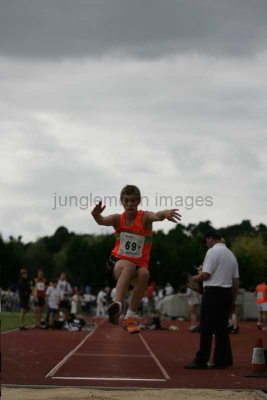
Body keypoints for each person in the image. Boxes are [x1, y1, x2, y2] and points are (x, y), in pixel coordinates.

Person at [91, 184, 181, 334]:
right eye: (126, 201)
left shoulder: (144, 217)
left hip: (138, 267)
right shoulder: (117, 219)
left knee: (145, 274)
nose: (129, 204)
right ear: (122, 201)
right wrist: (95, 214)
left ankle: (130, 318)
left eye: (133, 201)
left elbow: (156, 215)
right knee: (129, 265)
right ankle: (117, 305)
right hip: (117, 264)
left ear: (138, 201)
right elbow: (101, 220)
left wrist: (165, 213)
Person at [185, 229, 239, 369]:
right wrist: (233, 300)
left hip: (213, 293)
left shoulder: (212, 252)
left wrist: (193, 278)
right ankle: (222, 360)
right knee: (221, 329)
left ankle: (201, 360)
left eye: (206, 241)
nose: (206, 244)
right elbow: (235, 281)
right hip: (226, 293)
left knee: (207, 328)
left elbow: (206, 275)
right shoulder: (231, 255)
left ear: (210, 238)